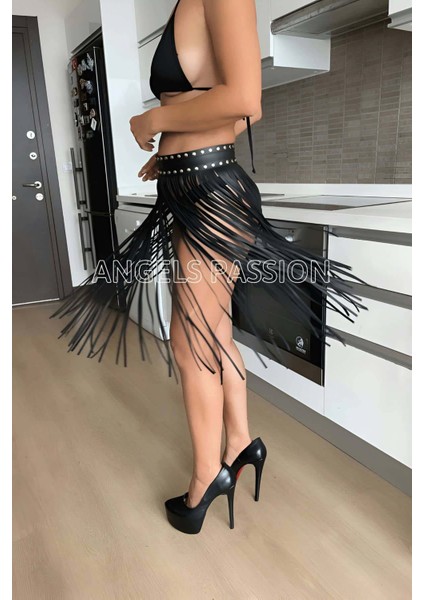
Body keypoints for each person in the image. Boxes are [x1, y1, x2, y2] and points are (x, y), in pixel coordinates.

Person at [50, 0, 367, 534]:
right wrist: (168, 152)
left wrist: (155, 120)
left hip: (210, 192)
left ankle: (205, 479)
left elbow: (245, 100)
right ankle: (239, 443)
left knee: (190, 339)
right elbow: (234, 110)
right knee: (213, 331)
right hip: (190, 184)